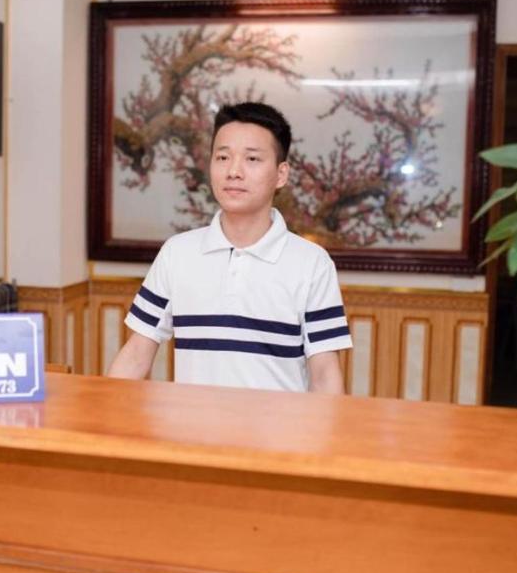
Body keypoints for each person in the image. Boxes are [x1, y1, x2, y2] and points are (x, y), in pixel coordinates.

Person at [107, 102, 352, 394]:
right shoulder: (177, 253)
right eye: (223, 157)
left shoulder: (312, 263)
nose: (234, 171)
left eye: (252, 159)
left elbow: (325, 375)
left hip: (279, 438)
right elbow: (135, 355)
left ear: (281, 174)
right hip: (188, 437)